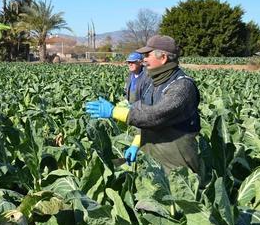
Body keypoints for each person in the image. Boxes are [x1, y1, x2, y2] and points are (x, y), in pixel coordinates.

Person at [85, 35, 201, 174]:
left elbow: (154, 116)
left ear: (163, 58)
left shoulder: (182, 87)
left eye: (147, 55)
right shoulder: (154, 83)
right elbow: (146, 115)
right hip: (154, 160)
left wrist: (114, 111)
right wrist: (136, 144)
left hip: (178, 167)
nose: (144, 59)